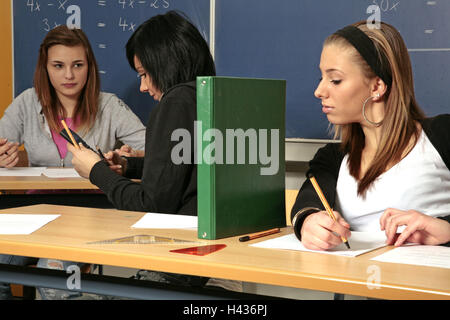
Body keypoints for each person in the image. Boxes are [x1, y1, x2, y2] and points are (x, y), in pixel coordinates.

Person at [69, 11, 241, 292]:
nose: (143, 86)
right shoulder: (216, 96)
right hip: (222, 258)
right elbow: (192, 166)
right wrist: (129, 167)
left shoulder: (175, 101)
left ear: (167, 63)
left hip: (180, 266)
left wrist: (96, 171)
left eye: (145, 74)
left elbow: (150, 206)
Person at [0, 25, 146, 300]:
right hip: (36, 216)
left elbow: (152, 147)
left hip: (91, 216)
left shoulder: (109, 106)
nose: (68, 75)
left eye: (77, 65)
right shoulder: (26, 103)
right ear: (45, 68)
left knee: (53, 280)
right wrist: (5, 156)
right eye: (58, 65)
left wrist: (127, 155)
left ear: (89, 66)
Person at [291, 21, 450, 251]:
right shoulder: (333, 159)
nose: (319, 91)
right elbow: (308, 201)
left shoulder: (442, 136)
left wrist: (445, 228)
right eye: (321, 78)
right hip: (356, 284)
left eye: (335, 80)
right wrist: (308, 221)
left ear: (377, 87)